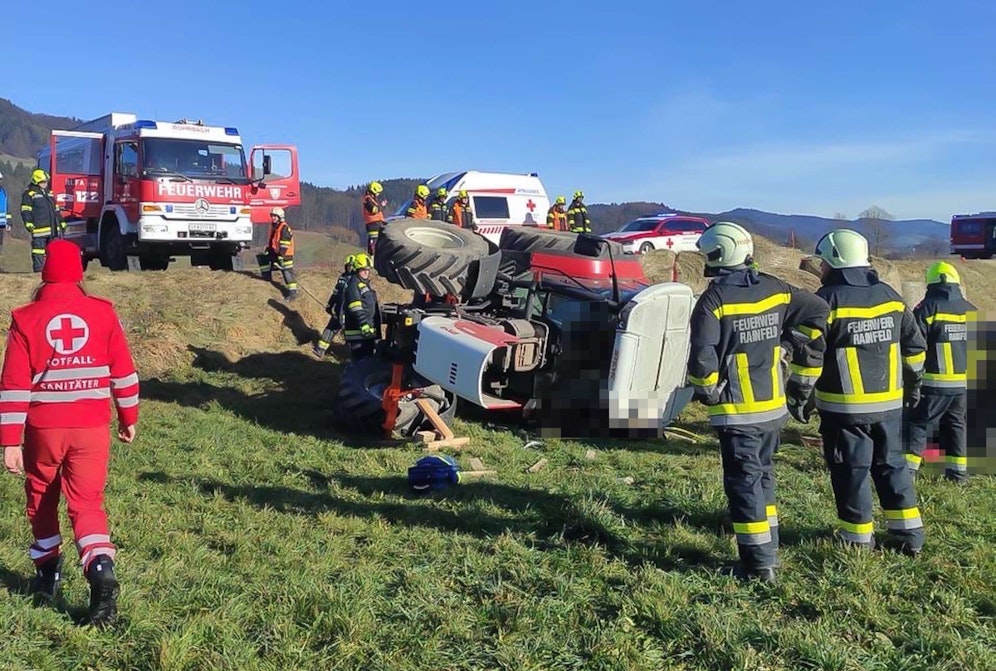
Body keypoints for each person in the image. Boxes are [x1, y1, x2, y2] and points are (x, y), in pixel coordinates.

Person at [0, 239, 139, 627]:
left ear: (45, 273)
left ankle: (47, 575)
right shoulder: (103, 314)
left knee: (42, 497)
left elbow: (13, 384)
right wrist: (129, 417)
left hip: (44, 430)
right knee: (88, 503)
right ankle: (99, 569)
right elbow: (124, 374)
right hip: (92, 427)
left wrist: (10, 440)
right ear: (79, 274)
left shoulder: (26, 318)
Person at [688, 222, 829, 583]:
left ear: (716, 255)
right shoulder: (774, 288)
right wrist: (793, 340)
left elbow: (703, 357)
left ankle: (757, 565)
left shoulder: (713, 301)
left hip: (738, 411)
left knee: (744, 482)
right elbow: (817, 310)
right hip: (773, 409)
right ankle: (771, 543)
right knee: (763, 476)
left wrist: (706, 391)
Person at [811, 229, 926, 556]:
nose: (820, 269)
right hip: (890, 408)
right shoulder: (890, 296)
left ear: (834, 262)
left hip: (844, 411)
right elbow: (916, 348)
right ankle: (910, 538)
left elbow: (811, 355)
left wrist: (801, 395)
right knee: (893, 468)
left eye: (822, 263)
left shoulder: (826, 301)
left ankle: (857, 540)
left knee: (851, 471)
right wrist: (913, 385)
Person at [903, 262, 977, 483]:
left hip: (932, 385)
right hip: (962, 386)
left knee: (918, 425)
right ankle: (958, 475)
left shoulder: (926, 309)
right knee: (957, 426)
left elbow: (914, 346)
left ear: (932, 283)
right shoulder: (971, 310)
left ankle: (907, 474)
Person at [20, 169, 67, 273]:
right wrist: (28, 223)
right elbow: (25, 210)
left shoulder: (49, 193)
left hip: (53, 229)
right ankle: (38, 271)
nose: (45, 184)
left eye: (46, 181)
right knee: (38, 251)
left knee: (55, 251)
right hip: (39, 229)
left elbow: (56, 210)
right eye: (43, 182)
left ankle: (54, 271)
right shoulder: (29, 193)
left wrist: (61, 222)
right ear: (36, 181)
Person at [313, 254, 356, 358]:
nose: (349, 267)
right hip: (338, 310)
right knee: (330, 329)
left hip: (349, 312)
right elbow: (335, 293)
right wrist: (330, 304)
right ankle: (320, 350)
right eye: (347, 265)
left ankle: (351, 356)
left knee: (350, 335)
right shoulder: (342, 277)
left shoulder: (356, 280)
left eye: (351, 266)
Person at [342, 253, 381, 360]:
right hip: (358, 333)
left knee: (367, 360)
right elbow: (355, 307)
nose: (366, 272)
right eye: (363, 269)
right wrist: (364, 324)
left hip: (366, 332)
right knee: (359, 362)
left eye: (368, 270)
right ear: (357, 269)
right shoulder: (353, 284)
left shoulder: (364, 283)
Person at [256, 207, 298, 301]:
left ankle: (292, 293)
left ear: (280, 217)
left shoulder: (284, 227)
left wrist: (280, 256)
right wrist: (269, 250)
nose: (273, 218)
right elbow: (274, 241)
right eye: (272, 216)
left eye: (275, 216)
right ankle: (267, 279)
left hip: (285, 255)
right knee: (262, 258)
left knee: (287, 273)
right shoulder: (274, 226)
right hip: (276, 253)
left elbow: (284, 244)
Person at [362, 182, 386, 257]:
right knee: (373, 244)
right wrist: (382, 206)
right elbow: (373, 210)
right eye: (378, 192)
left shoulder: (372, 199)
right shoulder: (368, 200)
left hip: (378, 224)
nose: (379, 194)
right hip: (373, 224)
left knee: (379, 243)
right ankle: (372, 259)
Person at [0, 170, 11, 256]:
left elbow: (7, 207)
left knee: (0, 244)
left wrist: (9, 222)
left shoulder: (3, 192)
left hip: (1, 223)